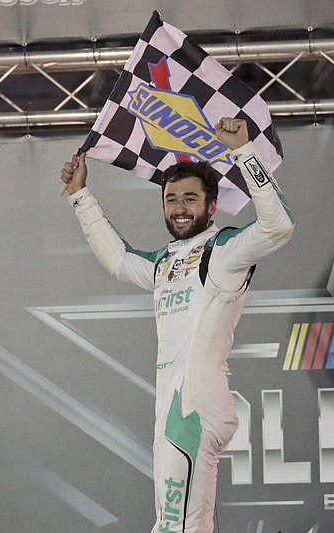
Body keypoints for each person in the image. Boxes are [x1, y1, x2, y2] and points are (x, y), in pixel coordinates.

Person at [60, 117, 294, 533]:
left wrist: (243, 152)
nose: (180, 207)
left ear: (210, 206)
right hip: (178, 404)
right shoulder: (165, 263)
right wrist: (80, 196)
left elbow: (278, 227)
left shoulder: (223, 251)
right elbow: (118, 259)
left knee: (174, 526)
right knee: (188, 524)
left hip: (192, 403)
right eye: (171, 199)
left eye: (190, 198)